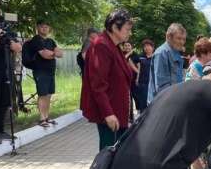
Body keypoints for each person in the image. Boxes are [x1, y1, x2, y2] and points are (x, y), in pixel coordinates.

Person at [80, 9, 134, 150]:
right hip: (111, 115)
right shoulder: (101, 45)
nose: (130, 33)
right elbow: (98, 84)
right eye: (127, 29)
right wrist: (108, 114)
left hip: (118, 112)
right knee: (108, 155)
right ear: (115, 27)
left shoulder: (113, 45)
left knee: (117, 156)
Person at [0, 0, 22, 143]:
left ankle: (0, 130)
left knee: (5, 99)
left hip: (5, 68)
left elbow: (17, 46)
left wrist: (11, 42)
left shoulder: (3, 27)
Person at [28, 19, 63, 127]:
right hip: (40, 71)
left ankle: (47, 117)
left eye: (47, 26)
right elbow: (44, 54)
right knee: (42, 94)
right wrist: (54, 53)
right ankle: (42, 119)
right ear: (37, 28)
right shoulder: (36, 40)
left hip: (50, 71)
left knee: (48, 94)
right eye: (42, 26)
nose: (45, 28)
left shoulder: (51, 41)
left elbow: (60, 53)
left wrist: (52, 53)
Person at [147, 23, 187, 103]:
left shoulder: (176, 52)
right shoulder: (161, 53)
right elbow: (162, 88)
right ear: (168, 37)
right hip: (162, 104)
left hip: (172, 100)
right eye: (179, 38)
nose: (182, 42)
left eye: (184, 39)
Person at [132, 39, 154, 113]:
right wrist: (137, 71)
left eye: (148, 46)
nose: (147, 48)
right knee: (143, 104)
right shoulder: (140, 56)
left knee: (152, 103)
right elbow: (129, 61)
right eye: (145, 46)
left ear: (152, 47)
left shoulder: (156, 56)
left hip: (153, 84)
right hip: (143, 83)